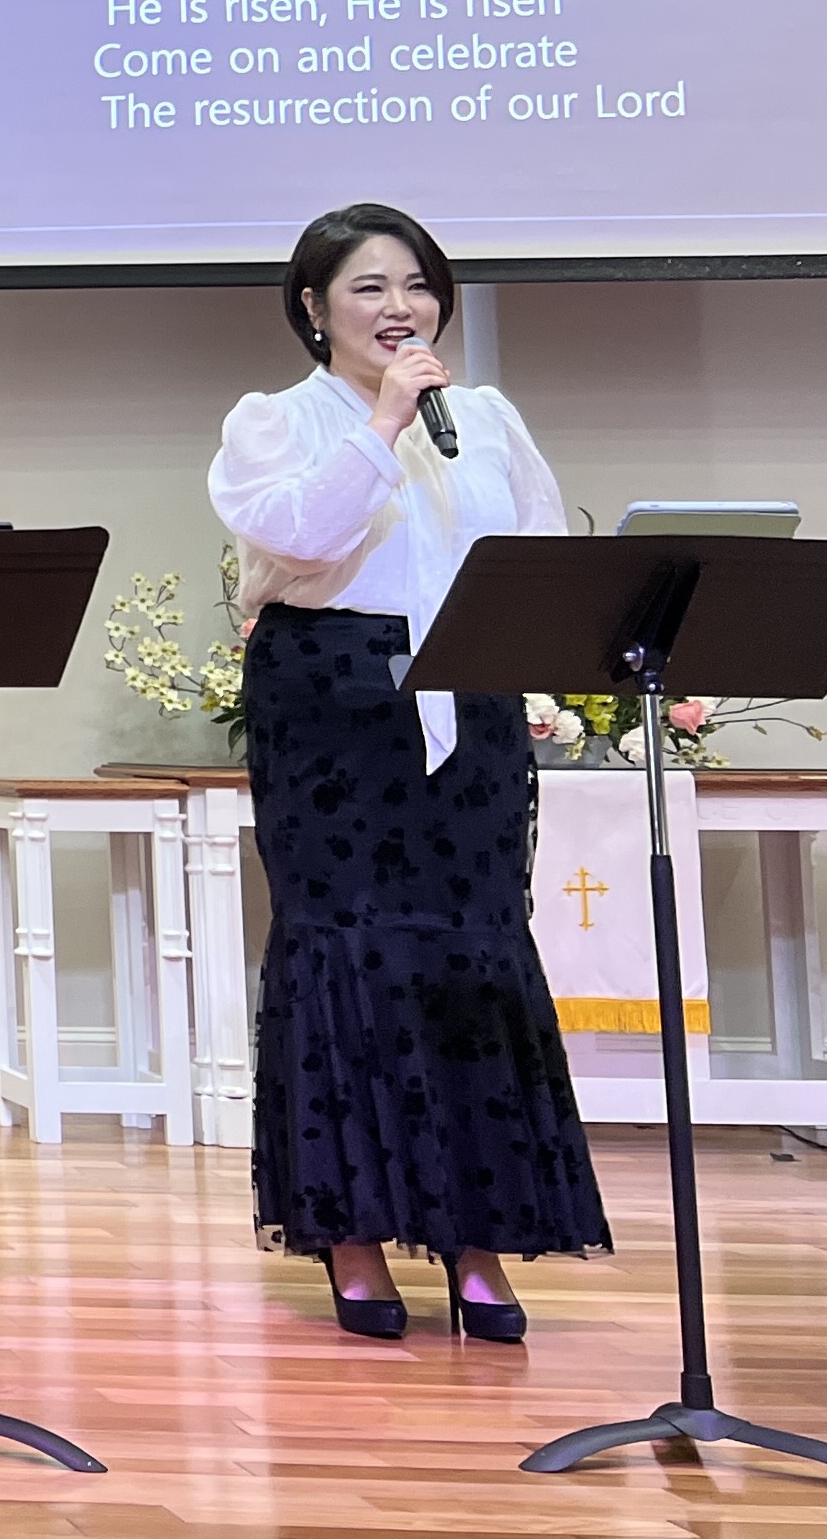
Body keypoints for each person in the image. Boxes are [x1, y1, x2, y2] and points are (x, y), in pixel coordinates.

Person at [211, 203, 603, 1343]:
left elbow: (537, 553)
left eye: (417, 285)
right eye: (370, 287)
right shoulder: (275, 421)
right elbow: (301, 539)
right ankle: (353, 1234)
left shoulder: (486, 416)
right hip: (333, 703)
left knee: (474, 953)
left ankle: (477, 1232)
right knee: (348, 950)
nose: (401, 307)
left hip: (470, 702)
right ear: (313, 306)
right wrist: (382, 421)